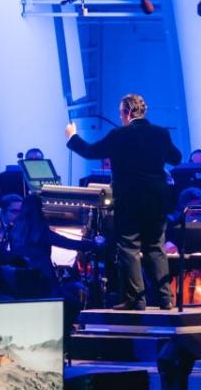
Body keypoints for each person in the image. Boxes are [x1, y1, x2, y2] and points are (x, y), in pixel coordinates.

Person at [65, 93, 182, 310]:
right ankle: (166, 299)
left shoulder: (119, 134)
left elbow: (91, 151)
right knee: (156, 247)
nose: (120, 117)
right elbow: (176, 158)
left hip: (129, 200)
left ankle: (137, 300)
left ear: (128, 112)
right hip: (157, 200)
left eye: (121, 113)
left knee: (129, 247)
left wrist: (72, 136)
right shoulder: (161, 133)